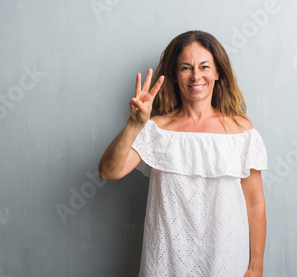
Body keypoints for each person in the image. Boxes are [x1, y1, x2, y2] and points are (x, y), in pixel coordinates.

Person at [98, 30, 268, 277]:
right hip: (166, 262)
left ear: (218, 72)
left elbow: (255, 202)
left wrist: (256, 266)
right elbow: (107, 172)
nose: (196, 76)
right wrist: (135, 125)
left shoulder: (241, 132)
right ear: (175, 76)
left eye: (204, 66)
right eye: (186, 68)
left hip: (227, 260)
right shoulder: (157, 130)